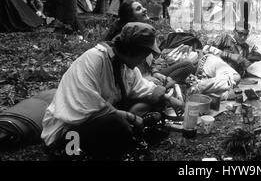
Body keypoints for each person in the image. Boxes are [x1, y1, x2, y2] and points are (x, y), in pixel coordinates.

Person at [41, 22, 177, 159]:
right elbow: (87, 106)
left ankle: (129, 137)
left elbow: (143, 87)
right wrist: (131, 117)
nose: (144, 60)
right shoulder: (94, 59)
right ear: (133, 51)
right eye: (144, 55)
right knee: (117, 124)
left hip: (99, 120)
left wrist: (168, 98)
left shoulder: (125, 65)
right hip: (69, 131)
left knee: (152, 102)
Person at [104, 0, 196, 86]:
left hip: (149, 75)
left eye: (142, 7)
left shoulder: (145, 32)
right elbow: (124, 70)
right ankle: (165, 87)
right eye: (138, 9)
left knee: (188, 65)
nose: (145, 9)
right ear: (130, 17)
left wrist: (155, 73)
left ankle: (165, 85)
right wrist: (145, 79)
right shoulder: (125, 39)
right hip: (135, 81)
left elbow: (152, 61)